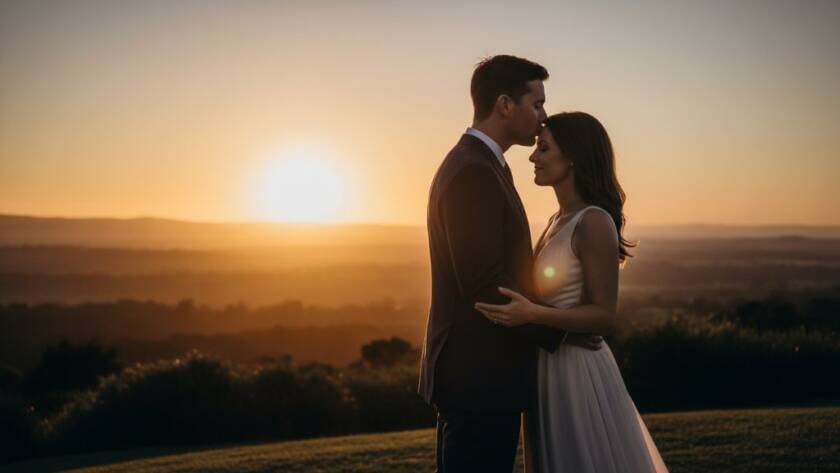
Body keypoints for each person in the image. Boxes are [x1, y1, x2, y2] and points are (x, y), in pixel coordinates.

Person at [418, 55, 603, 473]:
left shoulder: (482, 165)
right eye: (536, 104)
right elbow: (485, 284)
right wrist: (561, 329)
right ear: (505, 104)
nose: (542, 117)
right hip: (478, 377)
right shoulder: (473, 172)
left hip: (480, 376)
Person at [475, 112, 669, 472]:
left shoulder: (594, 221)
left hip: (577, 374)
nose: (533, 157)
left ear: (574, 158)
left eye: (544, 148)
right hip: (546, 370)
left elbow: (604, 315)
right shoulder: (556, 220)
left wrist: (534, 316)